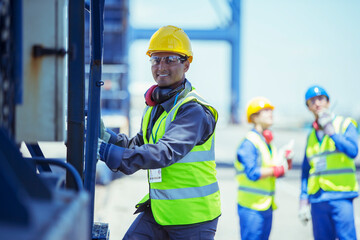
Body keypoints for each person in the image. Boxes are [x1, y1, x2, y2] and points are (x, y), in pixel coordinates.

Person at [97, 25, 221, 240]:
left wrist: (108, 153)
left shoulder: (193, 110)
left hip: (193, 219)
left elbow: (165, 152)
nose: (161, 66)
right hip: (161, 212)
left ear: (187, 64)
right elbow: (139, 145)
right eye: (155, 59)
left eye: (170, 59)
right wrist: (105, 137)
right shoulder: (155, 106)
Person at [298, 85, 359, 240]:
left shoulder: (345, 124)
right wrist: (303, 199)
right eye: (312, 101)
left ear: (328, 102)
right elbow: (306, 170)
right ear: (308, 107)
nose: (317, 103)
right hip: (318, 199)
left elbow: (353, 151)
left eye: (320, 99)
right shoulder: (311, 135)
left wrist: (332, 133)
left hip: (341, 196)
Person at [234, 97, 293, 240]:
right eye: (265, 111)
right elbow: (252, 173)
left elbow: (271, 170)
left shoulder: (267, 143)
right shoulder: (249, 143)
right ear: (254, 117)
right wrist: (277, 170)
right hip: (251, 207)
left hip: (266, 206)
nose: (270, 113)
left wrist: (285, 165)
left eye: (271, 110)